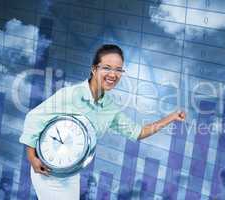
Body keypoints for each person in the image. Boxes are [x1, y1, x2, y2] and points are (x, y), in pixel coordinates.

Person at [19, 44, 186, 199]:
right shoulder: (71, 95)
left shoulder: (110, 108)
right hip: (47, 169)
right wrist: (31, 157)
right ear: (94, 69)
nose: (113, 75)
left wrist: (170, 118)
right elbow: (34, 117)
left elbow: (138, 132)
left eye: (118, 70)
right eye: (107, 68)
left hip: (70, 172)